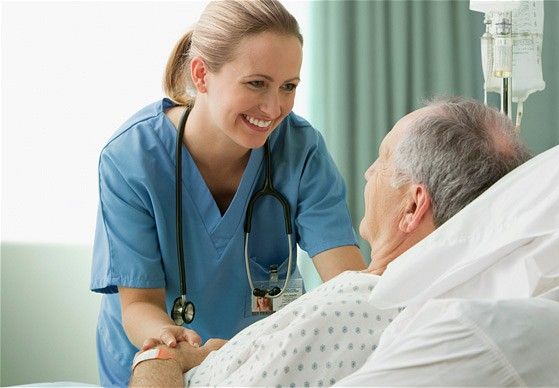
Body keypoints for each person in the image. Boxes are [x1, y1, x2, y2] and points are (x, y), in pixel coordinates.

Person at [129, 97, 532, 387]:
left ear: (412, 207)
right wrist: (225, 354)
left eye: (384, 158)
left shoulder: (349, 311)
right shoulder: (421, 303)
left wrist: (160, 358)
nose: (368, 172)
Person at [90, 1, 366, 386]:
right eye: (257, 83)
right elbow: (139, 305)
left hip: (260, 367)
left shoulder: (301, 151)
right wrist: (176, 341)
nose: (274, 107)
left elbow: (348, 282)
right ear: (201, 74)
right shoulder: (131, 159)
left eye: (288, 86)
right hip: (162, 361)